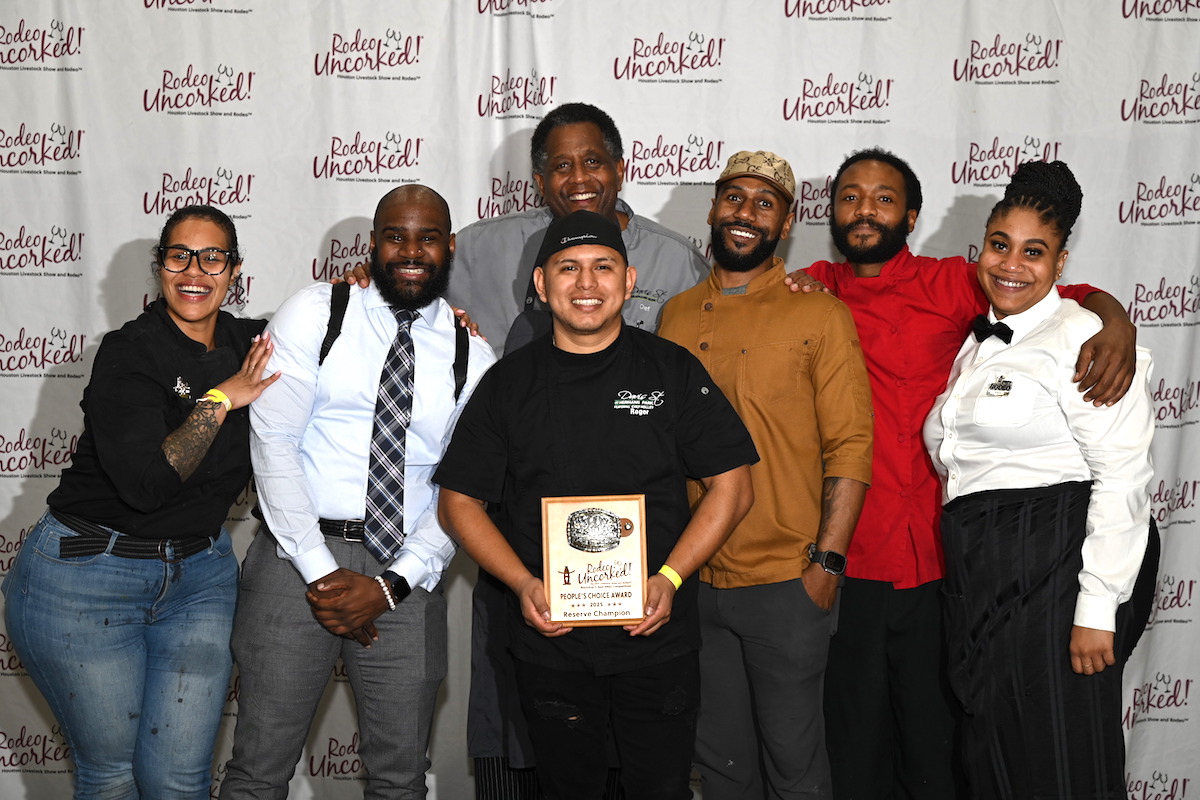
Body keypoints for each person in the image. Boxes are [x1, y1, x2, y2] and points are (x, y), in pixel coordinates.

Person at [790, 148, 1138, 800]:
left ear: (912, 215)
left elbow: (1059, 296)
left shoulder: (950, 280)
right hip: (848, 557)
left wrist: (1115, 320)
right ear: (829, 212)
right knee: (856, 749)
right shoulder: (810, 289)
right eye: (850, 197)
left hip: (943, 565)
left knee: (948, 750)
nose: (866, 209)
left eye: (884, 198)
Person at [435, 210, 757, 800]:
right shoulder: (509, 383)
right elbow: (459, 502)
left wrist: (669, 578)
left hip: (655, 638)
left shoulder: (672, 370)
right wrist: (523, 584)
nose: (587, 285)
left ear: (629, 281)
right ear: (540, 284)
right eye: (569, 268)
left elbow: (734, 486)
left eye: (603, 267)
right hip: (551, 643)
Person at [219, 185, 496, 799]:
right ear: (373, 244)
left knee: (400, 780)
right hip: (294, 559)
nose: (411, 251)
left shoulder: (472, 355)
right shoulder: (316, 312)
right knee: (258, 769)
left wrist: (389, 585)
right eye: (395, 236)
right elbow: (274, 444)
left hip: (405, 579)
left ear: (449, 247)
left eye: (427, 238)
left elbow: (461, 489)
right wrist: (320, 573)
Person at [2, 205, 278, 799]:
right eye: (179, 255)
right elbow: (148, 484)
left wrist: (368, 287)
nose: (195, 271)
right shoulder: (129, 352)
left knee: (180, 780)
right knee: (113, 778)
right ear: (159, 267)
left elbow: (340, 329)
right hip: (87, 576)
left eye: (213, 257)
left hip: (199, 577)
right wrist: (222, 399)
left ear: (234, 270)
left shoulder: (249, 340)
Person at [922, 160, 1157, 798]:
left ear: (1061, 261)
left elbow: (1124, 475)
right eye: (1000, 245)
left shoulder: (1084, 337)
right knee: (993, 752)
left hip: (1057, 559)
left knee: (1061, 755)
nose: (1012, 264)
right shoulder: (980, 345)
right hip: (985, 565)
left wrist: (1096, 608)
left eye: (1034, 251)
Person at [658, 151, 873, 799]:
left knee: (795, 769)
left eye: (764, 203)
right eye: (733, 197)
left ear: (785, 223)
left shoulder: (820, 314)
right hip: (694, 583)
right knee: (722, 770)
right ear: (713, 209)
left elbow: (851, 446)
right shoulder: (673, 315)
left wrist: (826, 567)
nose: (744, 213)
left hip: (787, 585)